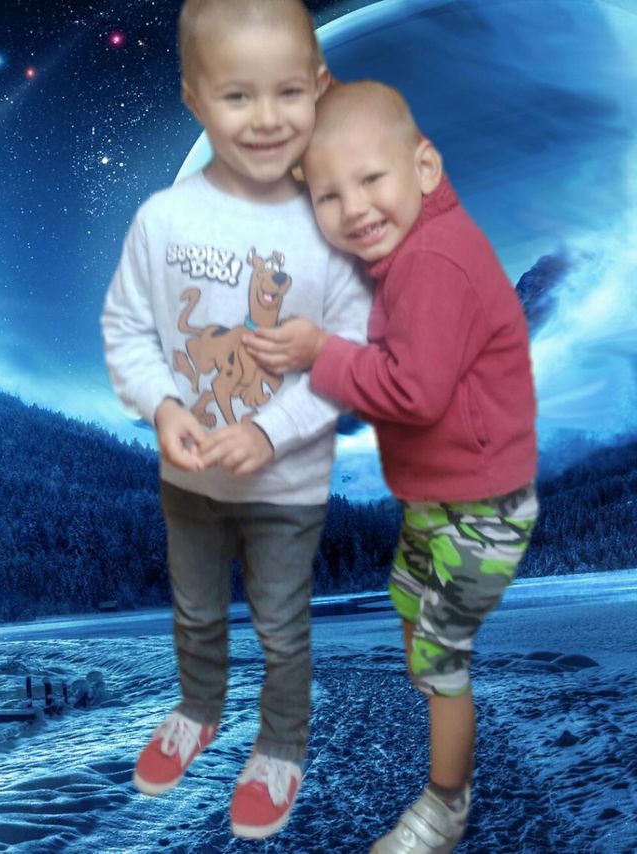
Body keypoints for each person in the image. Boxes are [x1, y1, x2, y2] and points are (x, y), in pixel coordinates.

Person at [243, 80, 539, 854]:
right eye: (330, 196)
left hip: (482, 506)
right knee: (405, 594)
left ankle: (445, 805)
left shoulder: (434, 263)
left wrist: (321, 353)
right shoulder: (408, 244)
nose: (354, 209)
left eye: (371, 180)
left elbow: (414, 390)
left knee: (439, 659)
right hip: (436, 497)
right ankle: (434, 668)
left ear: (425, 169)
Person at [100, 2, 371, 840]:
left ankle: (280, 746)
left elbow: (347, 357)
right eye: (235, 96)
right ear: (194, 99)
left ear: (317, 88)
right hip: (190, 477)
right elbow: (127, 329)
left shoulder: (331, 233)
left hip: (285, 484)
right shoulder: (162, 221)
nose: (264, 120)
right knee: (196, 612)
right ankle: (199, 709)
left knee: (282, 624)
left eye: (286, 92)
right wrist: (163, 404)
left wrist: (268, 431)